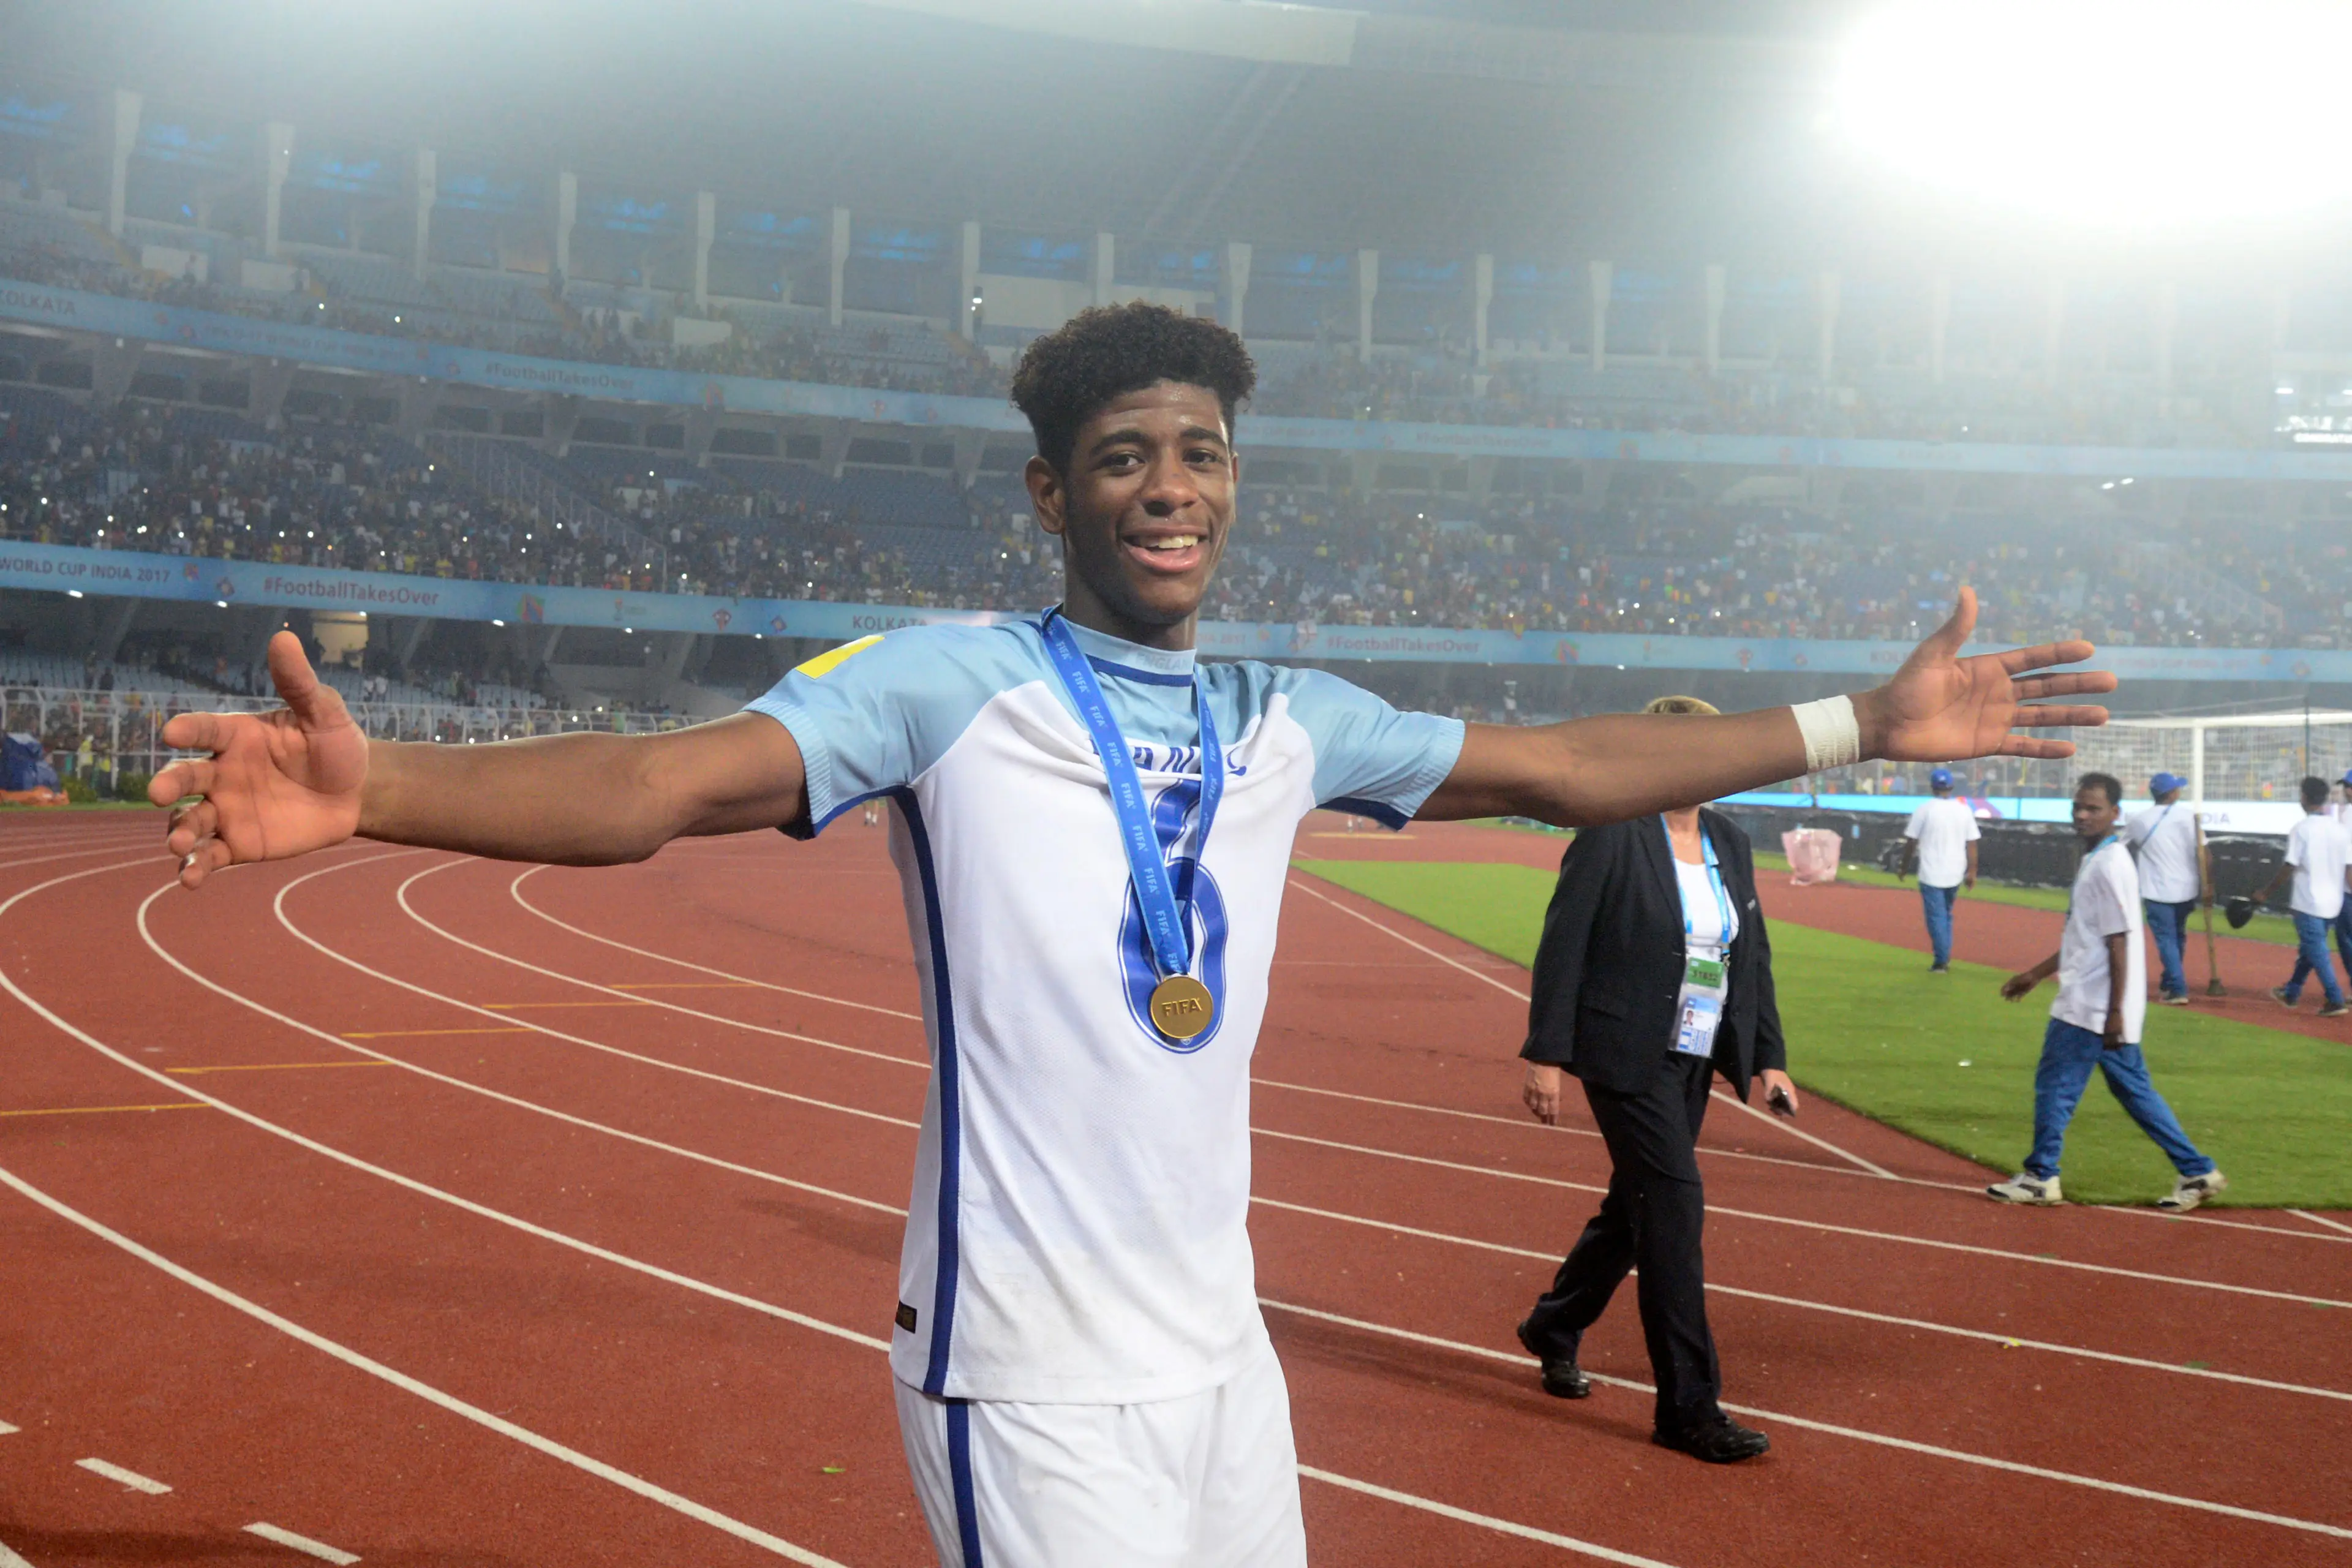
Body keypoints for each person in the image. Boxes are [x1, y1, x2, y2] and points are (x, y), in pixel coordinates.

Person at [149, 303, 2114, 1567]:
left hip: (1217, 1360)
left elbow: (1568, 760)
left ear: (1230, 485)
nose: (1167, 487)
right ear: (1051, 492)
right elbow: (661, 785)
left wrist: (1863, 723)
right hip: (1020, 1362)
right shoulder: (948, 685)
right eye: (1123, 456)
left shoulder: (1293, 717)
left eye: (1198, 454)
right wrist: (379, 787)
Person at [1515, 696, 1795, 1465]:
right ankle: (1688, 1409)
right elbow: (1564, 939)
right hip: (1622, 1049)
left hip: (1695, 1051)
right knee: (1673, 1206)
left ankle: (1554, 1323)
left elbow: (1753, 954)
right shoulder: (1612, 829)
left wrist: (1767, 1054)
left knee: (1634, 1208)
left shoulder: (1730, 841)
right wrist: (1546, 1053)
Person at [1988, 774, 2226, 1212]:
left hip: (2091, 1006)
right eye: (2078, 806)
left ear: (2116, 814)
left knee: (2055, 1087)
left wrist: (2114, 1012)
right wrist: (2036, 974)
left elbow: (2119, 941)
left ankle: (2042, 1176)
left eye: (2093, 808)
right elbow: (2087, 936)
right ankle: (2197, 1170)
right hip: (2098, 1002)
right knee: (2135, 1093)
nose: (2082, 815)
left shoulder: (2111, 863)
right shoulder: (2098, 859)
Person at [2254, 775, 2352, 1018]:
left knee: (2316, 950)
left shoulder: (2302, 829)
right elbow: (2349, 869)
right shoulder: (2340, 829)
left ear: (2305, 799)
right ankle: (2292, 991)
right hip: (2334, 901)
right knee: (2311, 948)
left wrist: (2265, 892)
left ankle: (2335, 999)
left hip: (2308, 901)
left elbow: (2289, 866)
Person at [2124, 771, 2202, 1005]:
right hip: (2187, 888)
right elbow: (2204, 853)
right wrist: (2208, 886)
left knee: (2167, 939)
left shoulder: (2139, 820)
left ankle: (2177, 988)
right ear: (2172, 793)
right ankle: (2170, 983)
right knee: (2178, 936)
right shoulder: (2189, 818)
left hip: (2157, 890)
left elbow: (2121, 846)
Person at [1899, 765, 1980, 973]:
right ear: (1952, 787)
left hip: (1931, 872)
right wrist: (1972, 872)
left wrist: (1904, 867)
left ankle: (1941, 961)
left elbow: (1911, 842)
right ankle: (1944, 956)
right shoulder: (1964, 810)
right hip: (1955, 872)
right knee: (1946, 915)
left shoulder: (1924, 809)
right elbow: (1972, 844)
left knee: (1936, 918)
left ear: (1932, 787)